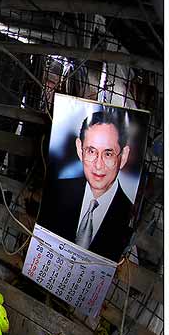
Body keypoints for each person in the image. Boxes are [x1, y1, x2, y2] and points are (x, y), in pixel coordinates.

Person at [37, 109, 135, 262]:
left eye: (108, 154)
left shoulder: (130, 212)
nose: (98, 165)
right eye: (91, 151)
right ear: (79, 149)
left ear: (123, 157)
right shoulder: (56, 191)